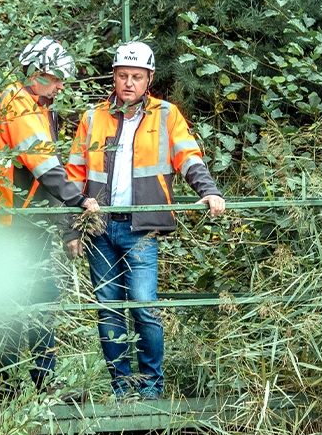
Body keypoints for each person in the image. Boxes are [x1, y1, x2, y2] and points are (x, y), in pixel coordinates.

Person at [65, 41, 225, 400]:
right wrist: (71, 229)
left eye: (137, 76)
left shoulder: (167, 115)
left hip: (142, 228)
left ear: (149, 78)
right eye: (123, 75)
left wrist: (209, 190)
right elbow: (74, 173)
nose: (129, 83)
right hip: (99, 228)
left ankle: (151, 388)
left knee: (144, 306)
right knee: (108, 309)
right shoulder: (93, 118)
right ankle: (122, 389)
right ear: (114, 77)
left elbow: (188, 157)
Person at [0, 37, 99, 398]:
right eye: (56, 78)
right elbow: (47, 169)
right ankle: (27, 384)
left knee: (31, 296)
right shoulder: (19, 105)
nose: (61, 85)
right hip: (13, 222)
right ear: (36, 74)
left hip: (21, 219)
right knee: (30, 297)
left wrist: (64, 221)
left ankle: (20, 384)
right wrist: (79, 199)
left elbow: (44, 174)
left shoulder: (33, 105)